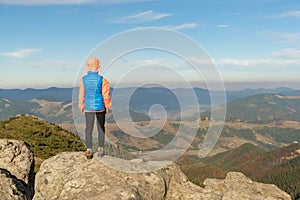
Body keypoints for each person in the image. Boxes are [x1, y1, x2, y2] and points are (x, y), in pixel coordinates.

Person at [78, 57, 111, 159]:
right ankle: (101, 149)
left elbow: (81, 94)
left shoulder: (83, 79)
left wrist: (81, 105)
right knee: (101, 128)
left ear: (88, 66)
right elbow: (106, 95)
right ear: (98, 66)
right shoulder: (103, 79)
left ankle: (88, 149)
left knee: (88, 129)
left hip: (88, 107)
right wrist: (107, 106)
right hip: (100, 107)